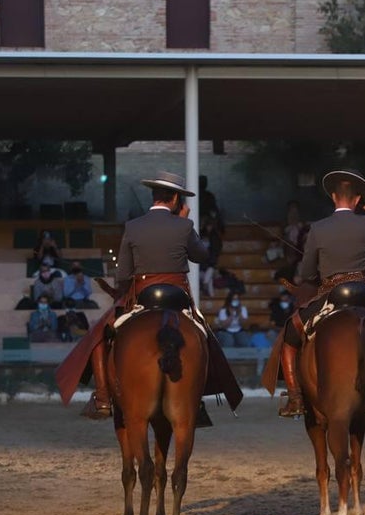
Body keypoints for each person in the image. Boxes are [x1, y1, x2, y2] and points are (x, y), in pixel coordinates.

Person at [54, 171, 242, 420]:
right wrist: (188, 226)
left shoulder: (133, 226)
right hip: (178, 297)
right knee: (204, 336)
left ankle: (101, 397)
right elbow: (202, 256)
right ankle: (197, 399)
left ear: (154, 196)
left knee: (100, 335)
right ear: (175, 199)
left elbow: (123, 272)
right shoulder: (184, 225)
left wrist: (121, 294)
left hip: (143, 296)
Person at [270, 169, 365, 417]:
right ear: (357, 200)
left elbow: (307, 271)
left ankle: (295, 398)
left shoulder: (318, 227)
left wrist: (313, 275)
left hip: (332, 293)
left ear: (333, 197)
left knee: (291, 331)